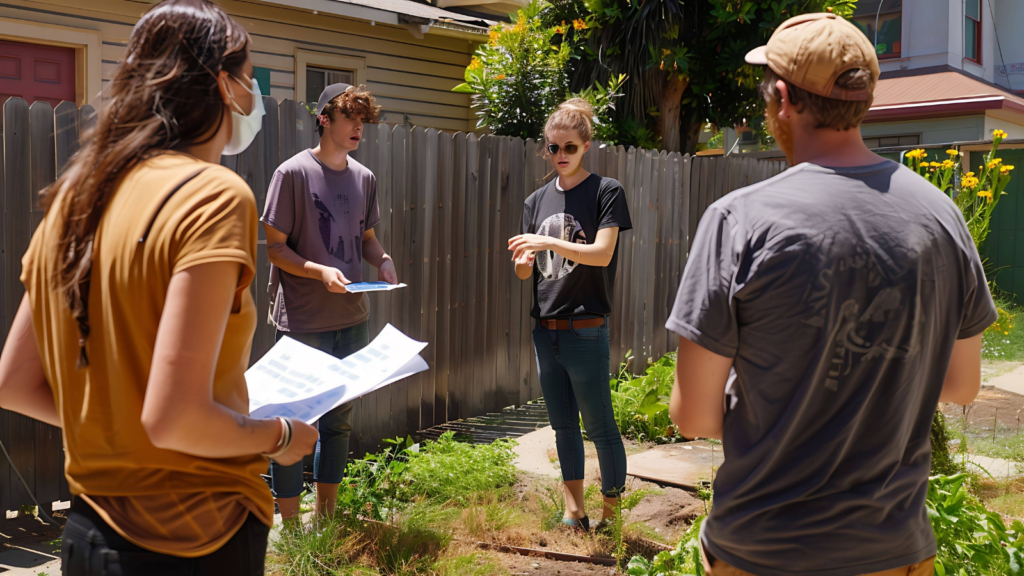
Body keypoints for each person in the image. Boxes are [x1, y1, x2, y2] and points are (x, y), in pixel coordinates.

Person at [666, 13, 994, 576]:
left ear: (785, 100)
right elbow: (961, 386)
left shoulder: (739, 220)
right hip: (896, 552)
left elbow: (694, 415)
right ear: (862, 99)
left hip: (765, 553)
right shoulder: (942, 215)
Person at [0, 1, 319, 574]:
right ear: (221, 83)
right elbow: (174, 417)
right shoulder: (212, 195)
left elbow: (15, 385)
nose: (255, 99)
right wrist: (280, 436)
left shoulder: (76, 201)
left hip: (88, 535)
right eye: (251, 80)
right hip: (195, 537)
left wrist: (119, 428)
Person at [262, 83, 397, 522]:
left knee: (338, 423)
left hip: (351, 317)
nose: (359, 126)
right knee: (293, 425)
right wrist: (319, 272)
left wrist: (383, 260)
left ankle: (325, 519)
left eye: (363, 119)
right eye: (349, 118)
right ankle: (291, 528)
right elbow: (276, 249)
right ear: (324, 119)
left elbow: (368, 240)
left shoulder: (365, 178)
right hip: (302, 319)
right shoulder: (292, 174)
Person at [508, 99, 631, 533]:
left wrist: (549, 244)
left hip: (586, 328)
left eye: (569, 147)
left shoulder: (605, 191)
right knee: (562, 427)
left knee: (600, 427)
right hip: (546, 330)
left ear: (586, 146)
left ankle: (612, 516)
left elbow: (602, 254)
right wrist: (523, 260)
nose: (560, 155)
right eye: (552, 147)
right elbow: (528, 271)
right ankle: (574, 511)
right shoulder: (535, 200)